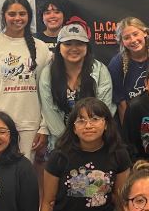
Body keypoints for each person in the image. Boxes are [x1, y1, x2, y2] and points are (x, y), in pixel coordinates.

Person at [0, 0, 52, 160]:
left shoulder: (41, 48)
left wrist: (43, 127)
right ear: (4, 16)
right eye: (12, 14)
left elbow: (47, 92)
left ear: (29, 16)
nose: (17, 18)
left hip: (30, 125)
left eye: (22, 14)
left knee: (25, 176)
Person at [39, 18, 113, 149]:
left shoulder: (100, 70)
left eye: (79, 43)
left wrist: (88, 139)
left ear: (87, 47)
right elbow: (49, 112)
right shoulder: (48, 73)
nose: (74, 48)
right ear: (59, 47)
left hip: (95, 140)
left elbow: (104, 109)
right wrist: (68, 141)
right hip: (61, 142)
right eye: (67, 43)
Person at [108, 16, 149, 124]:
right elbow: (121, 103)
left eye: (135, 34)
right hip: (132, 115)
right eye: (126, 37)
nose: (133, 40)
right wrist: (127, 132)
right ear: (122, 42)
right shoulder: (116, 63)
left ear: (145, 33)